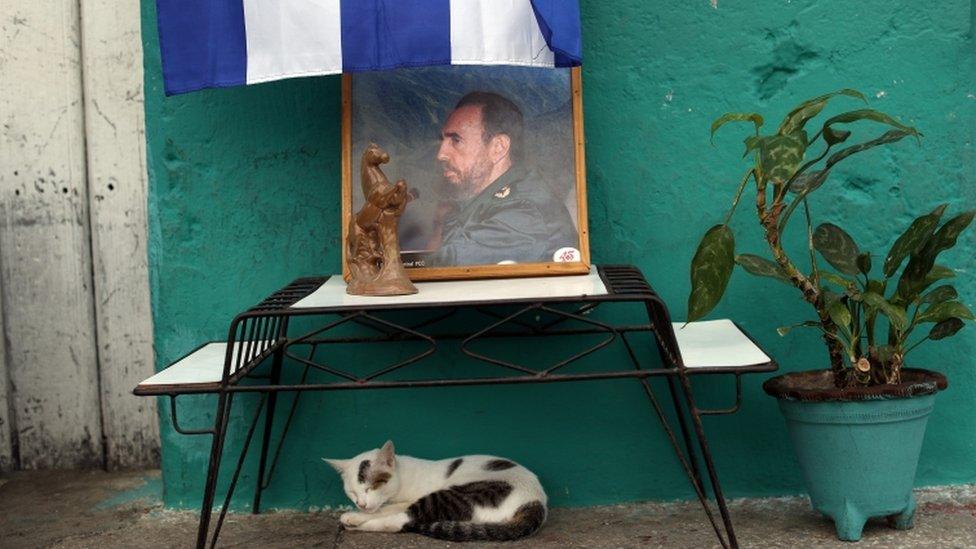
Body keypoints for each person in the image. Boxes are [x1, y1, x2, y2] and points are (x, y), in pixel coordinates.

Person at [426, 91, 578, 267]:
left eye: (456, 140)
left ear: (498, 147)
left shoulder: (522, 212)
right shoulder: (478, 201)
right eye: (443, 140)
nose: (441, 154)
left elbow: (442, 267)